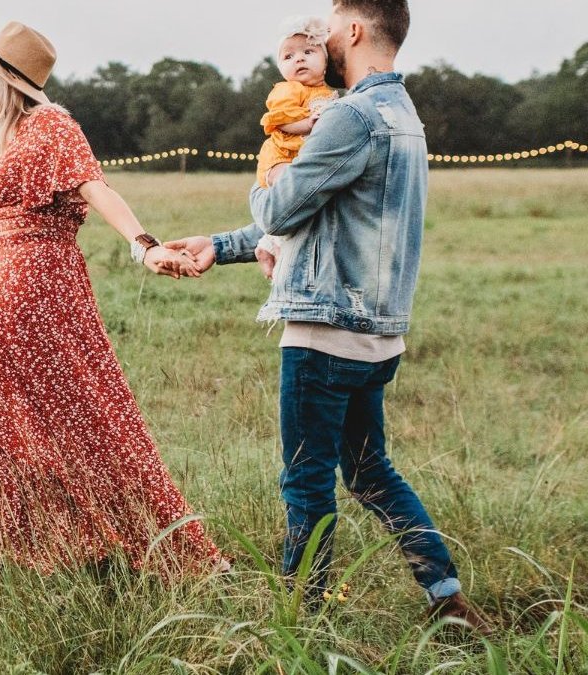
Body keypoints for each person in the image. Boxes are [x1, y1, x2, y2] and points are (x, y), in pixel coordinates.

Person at [165, 0, 489, 630]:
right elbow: (324, 215)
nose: (323, 39)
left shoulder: (349, 116)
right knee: (369, 472)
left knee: (306, 482)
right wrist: (221, 246)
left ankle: (301, 621)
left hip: (325, 331)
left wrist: (266, 167)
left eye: (331, 29)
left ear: (356, 30)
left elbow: (279, 210)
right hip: (379, 334)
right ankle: (446, 599)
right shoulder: (403, 114)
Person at [0, 21, 224, 577]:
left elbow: (96, 187)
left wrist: (144, 245)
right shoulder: (15, 137)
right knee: (1, 412)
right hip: (4, 287)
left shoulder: (52, 125)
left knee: (84, 413)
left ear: (3, 78)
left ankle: (118, 541)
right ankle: (5, 546)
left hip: (39, 288)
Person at [254, 16, 339, 276]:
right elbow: (281, 120)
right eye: (288, 56)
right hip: (281, 156)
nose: (299, 59)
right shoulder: (288, 90)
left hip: (300, 158)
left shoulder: (328, 94)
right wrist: (307, 124)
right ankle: (277, 247)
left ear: (325, 61)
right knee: (290, 192)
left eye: (308, 52)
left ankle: (268, 244)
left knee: (304, 200)